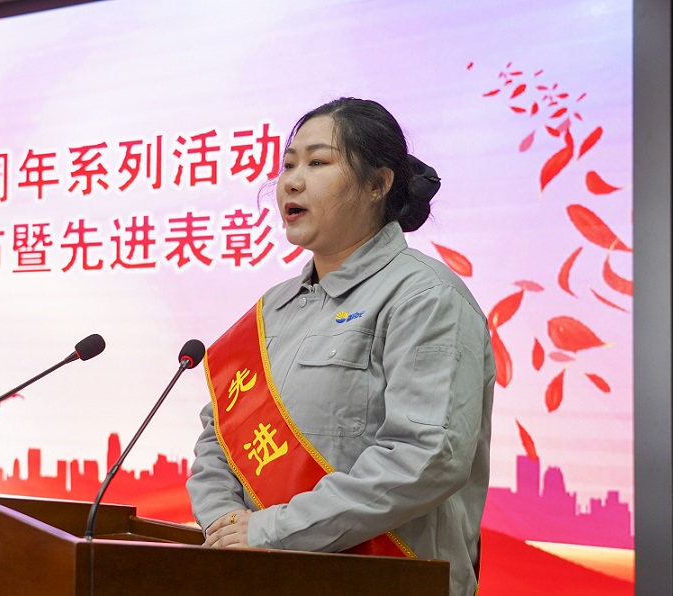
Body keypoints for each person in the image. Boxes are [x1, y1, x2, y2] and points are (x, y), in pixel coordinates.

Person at [186, 97, 495, 596]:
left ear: (378, 183)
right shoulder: (273, 308)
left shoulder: (425, 297)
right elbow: (218, 436)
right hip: (264, 578)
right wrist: (226, 525)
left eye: (317, 163)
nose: (291, 181)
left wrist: (271, 532)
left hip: (389, 579)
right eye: (288, 164)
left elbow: (427, 456)